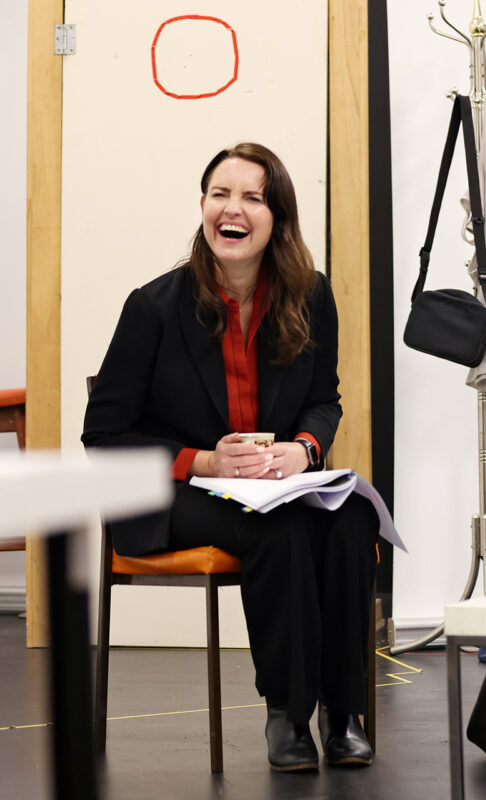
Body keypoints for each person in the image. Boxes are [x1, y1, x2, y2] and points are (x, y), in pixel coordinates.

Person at [82, 143, 377, 772]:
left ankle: (344, 712)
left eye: (252, 197)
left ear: (278, 218)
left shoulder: (310, 295)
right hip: (174, 493)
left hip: (271, 485)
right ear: (202, 206)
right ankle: (288, 714)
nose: (232, 209)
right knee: (281, 527)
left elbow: (323, 401)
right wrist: (205, 462)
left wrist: (304, 450)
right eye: (220, 194)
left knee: (352, 518)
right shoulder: (153, 307)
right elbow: (102, 437)